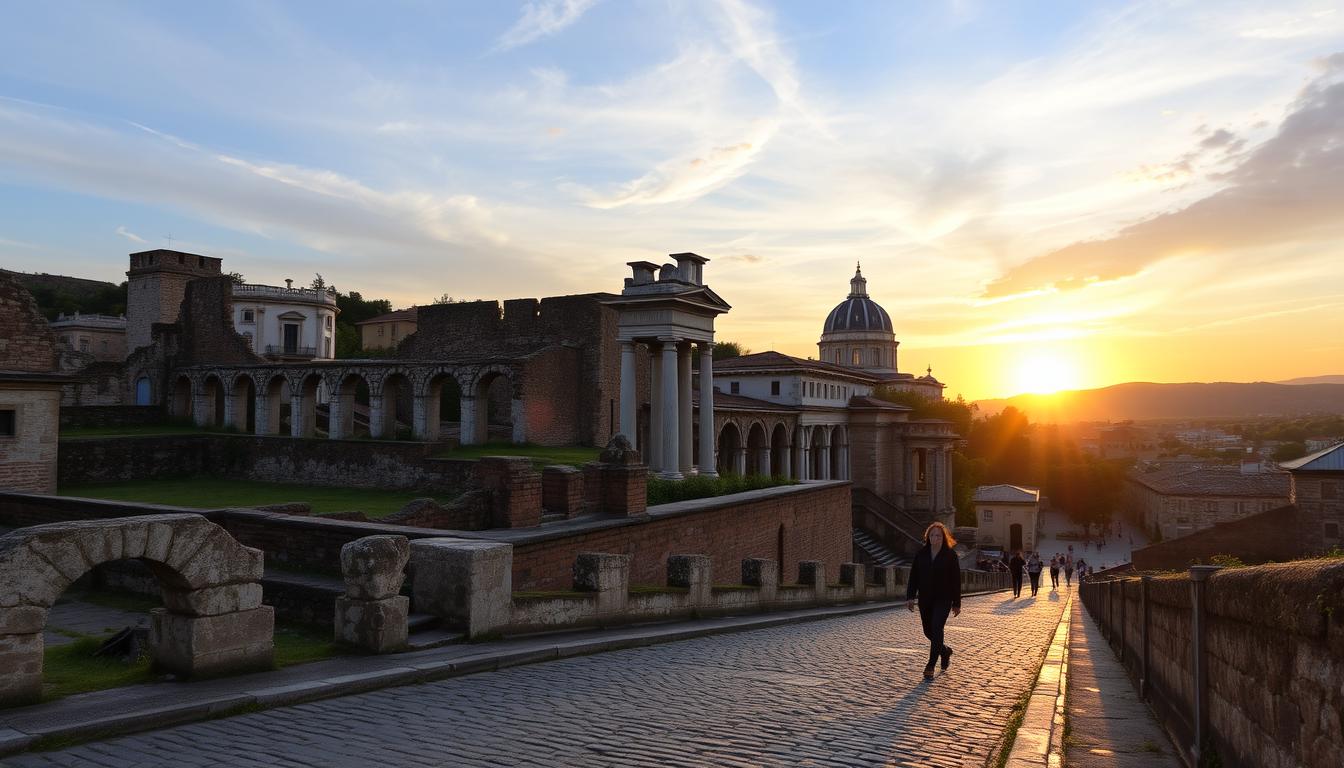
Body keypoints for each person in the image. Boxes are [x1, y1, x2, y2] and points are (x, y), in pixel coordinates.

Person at [905, 522, 962, 678]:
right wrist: (910, 597)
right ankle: (945, 651)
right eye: (932, 535)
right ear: (927, 537)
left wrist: (957, 603)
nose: (935, 538)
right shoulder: (921, 554)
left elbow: (956, 580)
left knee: (937, 628)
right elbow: (914, 577)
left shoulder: (950, 555)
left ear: (943, 538)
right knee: (928, 631)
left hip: (944, 598)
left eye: (938, 535)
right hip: (925, 599)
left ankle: (930, 665)